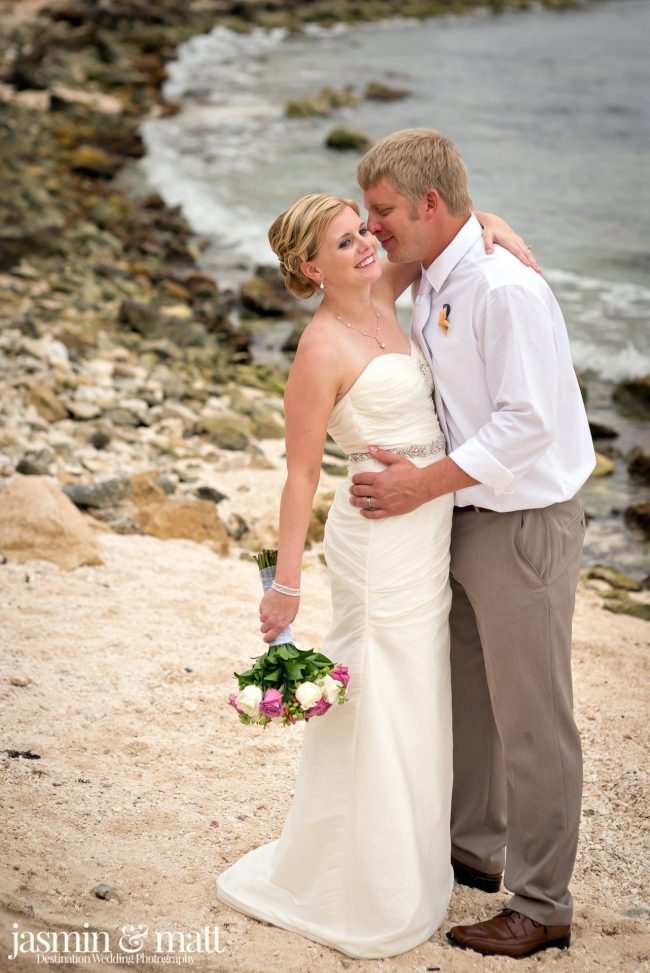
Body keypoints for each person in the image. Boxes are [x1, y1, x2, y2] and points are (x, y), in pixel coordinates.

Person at [216, 192, 534, 959]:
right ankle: (361, 880)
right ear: (308, 268)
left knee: (417, 686)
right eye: (344, 241)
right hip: (375, 534)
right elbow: (298, 477)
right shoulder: (320, 349)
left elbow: (442, 234)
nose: (365, 245)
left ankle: (410, 861)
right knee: (375, 691)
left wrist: (493, 222)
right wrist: (284, 583)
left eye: (362, 231)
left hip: (427, 527)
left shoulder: (385, 286)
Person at [349, 128, 596, 959]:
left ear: (428, 205)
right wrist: (481, 213)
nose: (371, 226)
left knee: (535, 720)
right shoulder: (436, 269)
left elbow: (530, 423)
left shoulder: (501, 287)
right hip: (462, 520)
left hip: (523, 525)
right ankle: (472, 850)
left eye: (382, 212)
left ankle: (543, 902)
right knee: (471, 705)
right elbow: (357, 260)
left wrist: (420, 483)